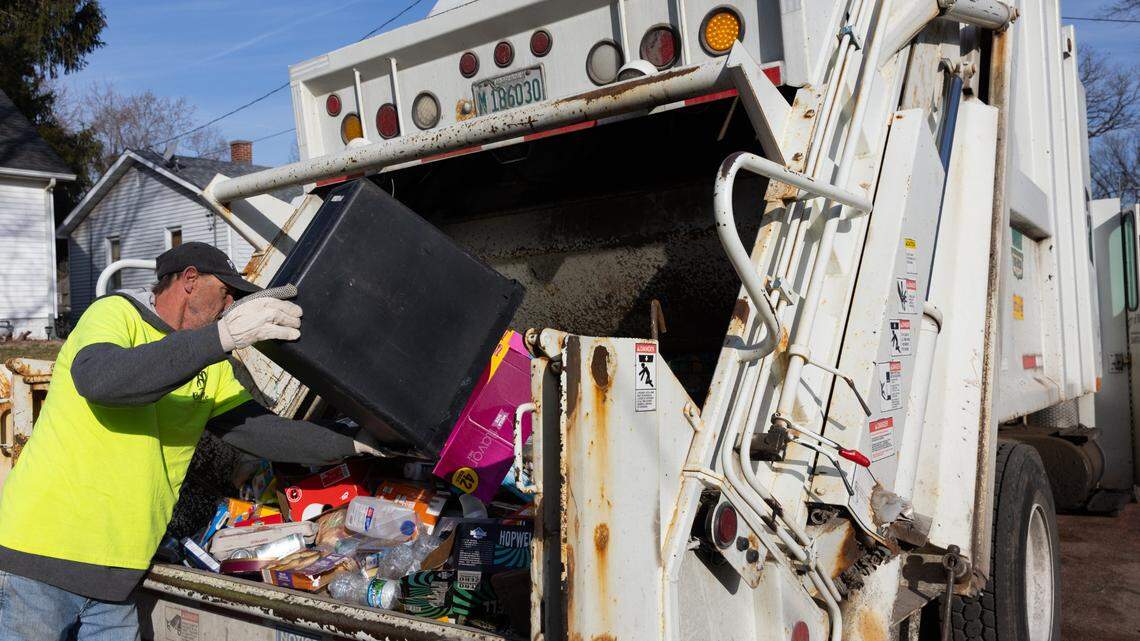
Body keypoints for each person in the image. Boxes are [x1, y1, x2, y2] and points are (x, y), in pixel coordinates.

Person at [0, 242, 382, 641]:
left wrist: (354, 442)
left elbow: (262, 432)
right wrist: (220, 337)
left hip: (119, 581)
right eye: (226, 292)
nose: (230, 305)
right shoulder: (115, 314)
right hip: (40, 564)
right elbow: (102, 381)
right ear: (189, 279)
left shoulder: (211, 364)